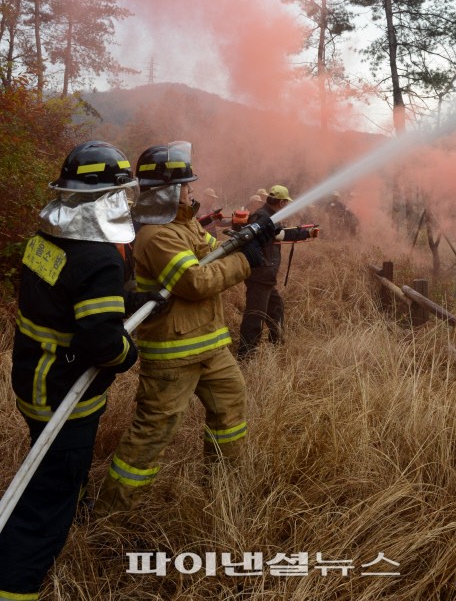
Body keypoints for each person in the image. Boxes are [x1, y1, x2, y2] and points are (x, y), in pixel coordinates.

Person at [0, 140, 151, 599]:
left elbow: (65, 301)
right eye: (121, 194)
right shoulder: (100, 258)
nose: (126, 202)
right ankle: (14, 585)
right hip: (65, 397)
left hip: (33, 379)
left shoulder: (45, 240)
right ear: (106, 198)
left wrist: (129, 304)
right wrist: (128, 354)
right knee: (47, 504)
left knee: (53, 471)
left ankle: (73, 500)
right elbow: (103, 345)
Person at [94, 142, 275, 514]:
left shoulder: (185, 222)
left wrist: (250, 238)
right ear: (169, 190)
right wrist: (245, 262)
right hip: (173, 354)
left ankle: (225, 487)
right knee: (152, 433)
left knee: (231, 409)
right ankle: (112, 513)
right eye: (186, 185)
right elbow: (195, 281)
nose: (191, 191)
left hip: (211, 345)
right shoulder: (155, 236)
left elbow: (214, 251)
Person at [237, 185, 317, 360]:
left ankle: (276, 346)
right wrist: (302, 233)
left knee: (276, 309)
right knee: (255, 316)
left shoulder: (269, 216)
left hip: (266, 276)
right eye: (286, 203)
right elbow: (274, 235)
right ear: (281, 202)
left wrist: (307, 233)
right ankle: (246, 355)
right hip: (260, 275)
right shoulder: (262, 217)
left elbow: (280, 234)